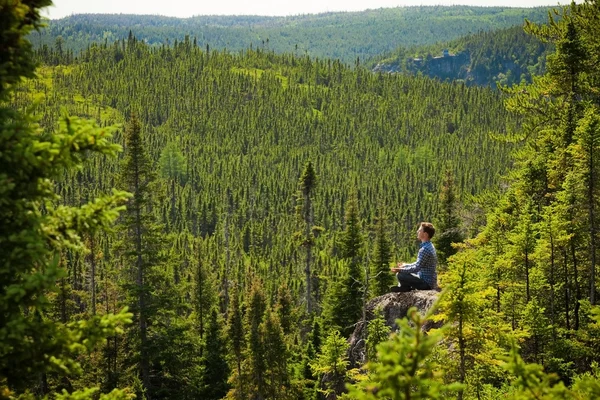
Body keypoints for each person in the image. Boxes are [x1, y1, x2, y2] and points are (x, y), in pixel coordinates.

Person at [390, 222, 437, 292]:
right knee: (403, 270)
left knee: (400, 275)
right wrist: (405, 265)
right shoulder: (429, 245)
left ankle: (405, 287)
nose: (417, 231)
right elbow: (418, 264)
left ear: (425, 234)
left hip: (426, 284)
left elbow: (416, 268)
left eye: (420, 230)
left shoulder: (424, 249)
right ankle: (404, 287)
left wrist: (400, 270)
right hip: (428, 280)